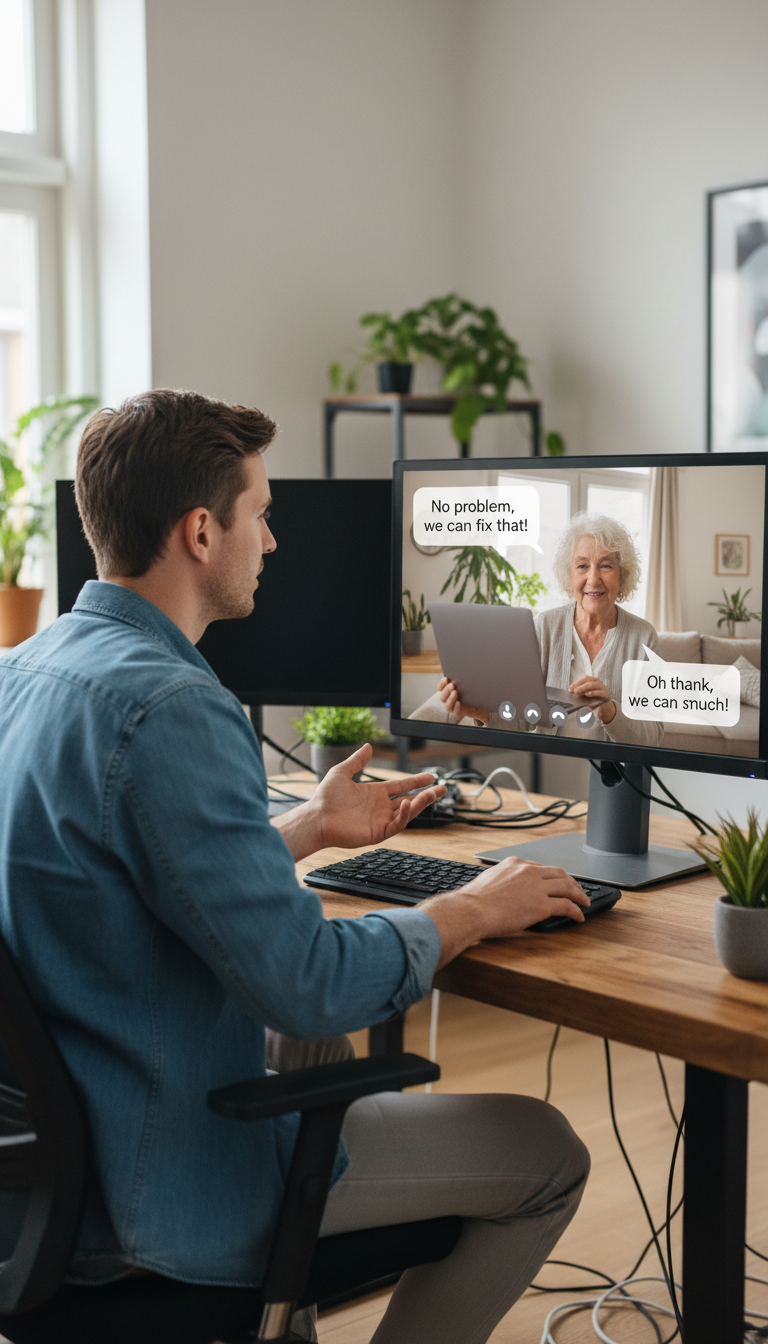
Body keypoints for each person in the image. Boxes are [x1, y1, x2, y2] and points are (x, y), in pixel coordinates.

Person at [0, 390, 590, 1344]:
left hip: (42, 1193)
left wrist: (306, 829)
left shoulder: (19, 674)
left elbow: (108, 887)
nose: (271, 541)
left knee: (318, 1058)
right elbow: (306, 987)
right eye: (262, 514)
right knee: (547, 1152)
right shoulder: (173, 710)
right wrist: (472, 908)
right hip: (163, 1191)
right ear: (202, 530)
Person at [439, 512, 663, 748]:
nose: (593, 578)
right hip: (550, 768)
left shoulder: (643, 637)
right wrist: (481, 712)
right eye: (582, 566)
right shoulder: (545, 626)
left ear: (623, 573)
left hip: (613, 774)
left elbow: (653, 736)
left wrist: (610, 711)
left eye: (605, 565)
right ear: (569, 573)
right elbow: (523, 719)